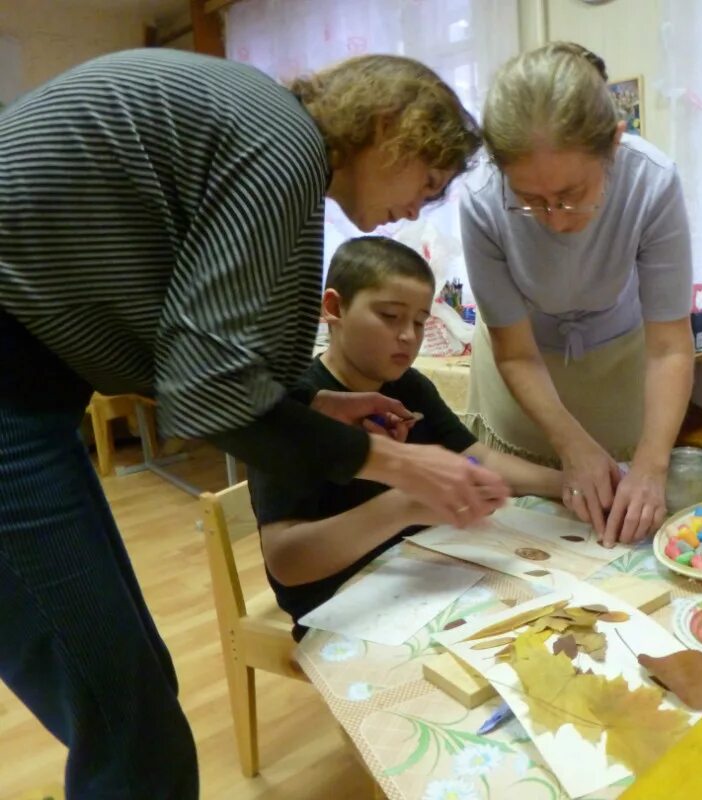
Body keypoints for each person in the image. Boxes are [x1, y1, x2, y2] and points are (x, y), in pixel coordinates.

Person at [0, 48, 509, 798]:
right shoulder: (282, 145)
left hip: (33, 397)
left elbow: (191, 355)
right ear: (387, 129)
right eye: (425, 183)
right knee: (132, 728)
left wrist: (305, 407)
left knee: (135, 696)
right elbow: (208, 393)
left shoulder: (252, 123)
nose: (417, 210)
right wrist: (400, 465)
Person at [249, 237, 563, 638]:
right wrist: (404, 505)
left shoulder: (409, 386)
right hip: (339, 602)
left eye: (418, 321)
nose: (408, 337)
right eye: (390, 316)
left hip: (418, 570)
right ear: (333, 308)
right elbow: (287, 563)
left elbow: (474, 456)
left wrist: (569, 484)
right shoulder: (291, 407)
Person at [460, 42, 695, 548]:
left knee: (622, 510)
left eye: (571, 196)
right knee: (527, 535)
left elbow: (670, 346)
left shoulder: (651, 183)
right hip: (523, 369)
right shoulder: (480, 199)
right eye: (530, 201)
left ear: (613, 143)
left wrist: (653, 466)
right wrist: (569, 444)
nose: (556, 220)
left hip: (621, 363)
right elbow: (516, 353)